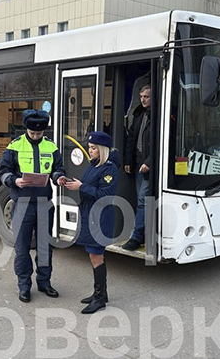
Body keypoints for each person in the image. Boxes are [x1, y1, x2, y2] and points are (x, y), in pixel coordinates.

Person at [0, 109, 68, 303]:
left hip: (44, 203)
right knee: (22, 247)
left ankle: (44, 282)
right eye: (32, 133)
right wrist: (14, 180)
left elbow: (58, 168)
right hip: (23, 203)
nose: (36, 136)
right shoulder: (15, 146)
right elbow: (2, 170)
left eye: (39, 133)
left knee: (45, 247)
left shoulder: (51, 147)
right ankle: (24, 286)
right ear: (26, 128)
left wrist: (58, 177)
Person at [65, 131, 118, 314]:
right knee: (94, 255)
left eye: (94, 148)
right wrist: (75, 184)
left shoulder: (109, 168)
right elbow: (89, 186)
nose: (90, 151)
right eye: (89, 147)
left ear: (102, 150)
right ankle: (101, 293)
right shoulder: (94, 165)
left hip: (100, 217)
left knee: (96, 256)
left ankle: (99, 299)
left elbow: (105, 194)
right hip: (90, 214)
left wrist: (81, 187)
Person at [123, 85, 151, 251]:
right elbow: (131, 139)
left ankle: (136, 237)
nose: (143, 99)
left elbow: (160, 142)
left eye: (146, 96)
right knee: (142, 200)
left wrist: (149, 161)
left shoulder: (159, 115)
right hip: (138, 164)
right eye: (141, 96)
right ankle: (144, 233)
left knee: (142, 200)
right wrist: (128, 161)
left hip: (149, 165)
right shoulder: (139, 115)